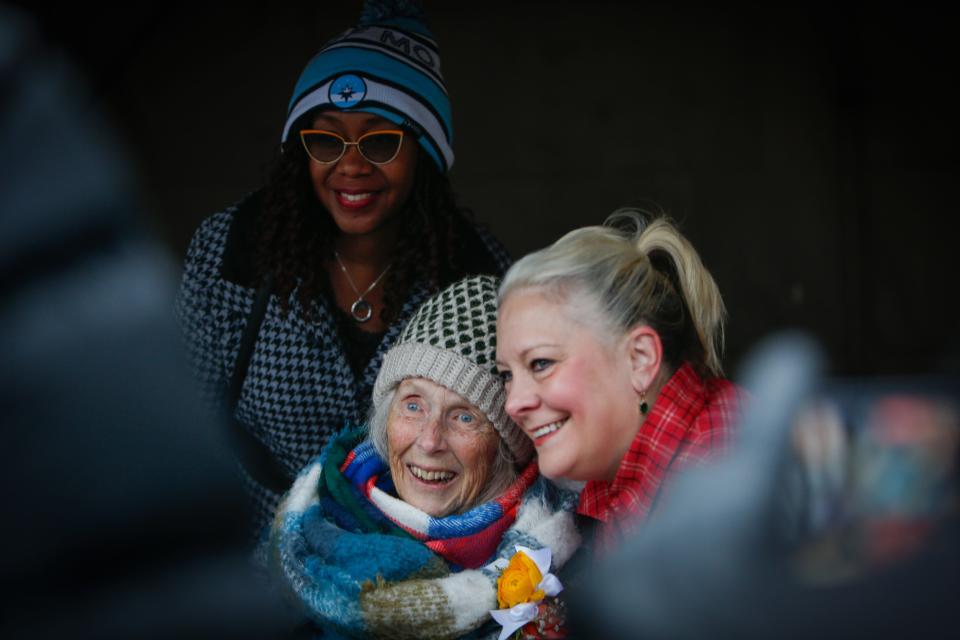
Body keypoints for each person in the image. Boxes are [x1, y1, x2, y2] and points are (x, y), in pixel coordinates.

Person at [175, 1, 511, 533]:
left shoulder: (473, 272)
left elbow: (504, 448)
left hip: (410, 568)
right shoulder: (234, 250)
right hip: (253, 557)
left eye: (380, 141)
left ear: (423, 153)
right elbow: (184, 425)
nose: (351, 165)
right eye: (327, 139)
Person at [270, 276, 581, 639]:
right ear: (387, 419)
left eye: (464, 416)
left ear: (506, 446)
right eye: (413, 405)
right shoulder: (310, 522)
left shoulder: (562, 566)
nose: (430, 440)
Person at [495, 211, 744, 553]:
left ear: (639, 359)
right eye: (507, 374)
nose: (513, 403)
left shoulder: (718, 481)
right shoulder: (621, 474)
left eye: (541, 363)